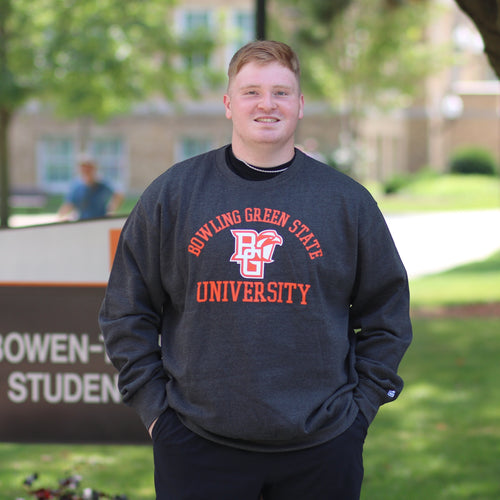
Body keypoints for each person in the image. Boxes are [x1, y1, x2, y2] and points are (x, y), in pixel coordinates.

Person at [99, 40, 412, 500]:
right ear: (228, 104)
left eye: (281, 92)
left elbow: (387, 315)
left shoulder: (346, 202)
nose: (267, 104)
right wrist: (157, 415)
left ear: (300, 105)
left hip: (322, 449)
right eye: (251, 92)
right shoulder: (174, 195)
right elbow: (126, 311)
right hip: (196, 446)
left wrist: (359, 413)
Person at [58, 155, 123, 220]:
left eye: (89, 168)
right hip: (83, 221)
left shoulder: (103, 185)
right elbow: (68, 205)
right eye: (84, 168)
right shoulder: (77, 187)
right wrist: (61, 217)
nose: (86, 170)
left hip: (100, 220)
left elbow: (118, 195)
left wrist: (111, 209)